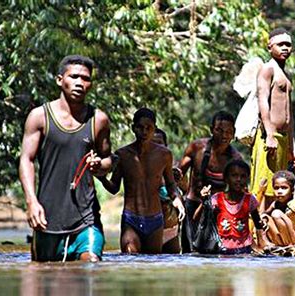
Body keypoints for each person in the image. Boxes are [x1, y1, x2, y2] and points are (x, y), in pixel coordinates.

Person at [19, 55, 113, 262]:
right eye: (74, 77)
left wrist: (100, 166)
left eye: (86, 79)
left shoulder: (99, 120)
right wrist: (31, 201)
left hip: (86, 218)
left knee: (91, 265)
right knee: (42, 276)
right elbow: (26, 159)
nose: (80, 83)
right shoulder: (39, 117)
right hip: (47, 218)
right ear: (60, 80)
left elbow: (108, 160)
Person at [99, 108, 185, 254]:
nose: (144, 132)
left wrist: (176, 199)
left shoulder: (164, 155)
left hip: (155, 220)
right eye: (140, 127)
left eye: (149, 128)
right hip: (131, 219)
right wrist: (101, 177)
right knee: (130, 258)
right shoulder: (123, 155)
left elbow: (170, 184)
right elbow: (114, 188)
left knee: (152, 262)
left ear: (154, 129)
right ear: (133, 128)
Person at [178, 111, 243, 252]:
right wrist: (179, 196)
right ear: (211, 129)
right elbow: (177, 174)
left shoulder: (235, 158)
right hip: (193, 205)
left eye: (228, 132)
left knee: (216, 253)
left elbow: (240, 191)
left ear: (233, 133)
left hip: (219, 212)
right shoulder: (196, 148)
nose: (224, 135)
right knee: (189, 253)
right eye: (219, 130)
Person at [250, 28, 295, 210]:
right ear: (270, 47)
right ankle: (254, 233)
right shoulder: (267, 69)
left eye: (288, 44)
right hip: (268, 138)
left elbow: (290, 115)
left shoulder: (286, 74)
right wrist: (270, 134)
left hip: (283, 138)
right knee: (262, 186)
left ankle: (269, 231)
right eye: (280, 44)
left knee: (277, 187)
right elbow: (263, 101)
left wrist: (292, 148)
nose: (285, 48)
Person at [195, 159, 265, 254]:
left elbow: (257, 223)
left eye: (243, 176)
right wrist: (204, 201)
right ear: (226, 178)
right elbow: (196, 218)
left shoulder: (249, 200)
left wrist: (260, 245)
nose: (239, 179)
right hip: (220, 249)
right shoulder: (216, 199)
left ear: (247, 179)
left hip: (244, 249)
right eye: (234, 175)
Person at [152, 128, 181, 253]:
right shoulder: (140, 168)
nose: (156, 146)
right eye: (152, 142)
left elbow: (183, 192)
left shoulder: (173, 170)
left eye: (159, 142)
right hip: (150, 229)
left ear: (165, 145)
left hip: (170, 228)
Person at [261, 170, 295, 246]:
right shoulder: (275, 204)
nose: (279, 191)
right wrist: (262, 192)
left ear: (292, 190)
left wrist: (293, 218)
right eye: (276, 188)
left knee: (276, 213)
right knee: (266, 218)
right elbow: (263, 215)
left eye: (284, 188)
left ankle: (289, 245)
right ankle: (278, 244)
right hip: (283, 240)